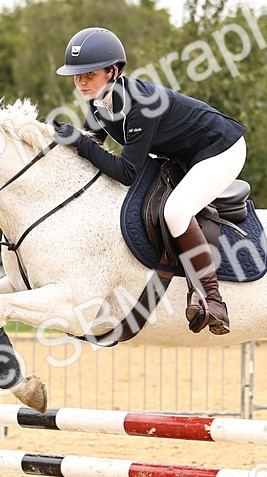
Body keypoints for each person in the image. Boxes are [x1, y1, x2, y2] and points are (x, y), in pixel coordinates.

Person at [52, 27, 247, 335]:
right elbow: (92, 141)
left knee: (176, 211)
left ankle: (212, 299)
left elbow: (126, 171)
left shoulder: (140, 104)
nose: (81, 82)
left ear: (113, 71)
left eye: (89, 73)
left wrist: (79, 141)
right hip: (185, 155)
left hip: (220, 148)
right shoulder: (98, 101)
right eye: (77, 76)